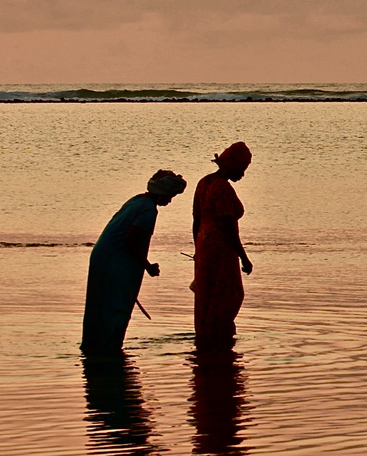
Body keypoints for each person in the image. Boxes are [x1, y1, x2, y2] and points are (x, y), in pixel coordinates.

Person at [81, 169, 187, 353]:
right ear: (163, 193)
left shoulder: (137, 200)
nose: (170, 200)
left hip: (103, 257)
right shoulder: (148, 209)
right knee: (116, 307)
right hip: (116, 261)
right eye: (170, 196)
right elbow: (131, 241)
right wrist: (148, 266)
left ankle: (94, 347)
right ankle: (107, 350)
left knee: (99, 307)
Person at [192, 142, 254, 349]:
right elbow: (229, 228)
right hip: (221, 249)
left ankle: (207, 337)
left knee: (207, 293)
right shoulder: (223, 188)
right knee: (229, 293)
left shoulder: (204, 182)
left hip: (204, 245)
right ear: (232, 166)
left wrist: (197, 250)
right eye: (242, 169)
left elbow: (196, 220)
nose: (242, 175)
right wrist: (244, 258)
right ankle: (218, 338)